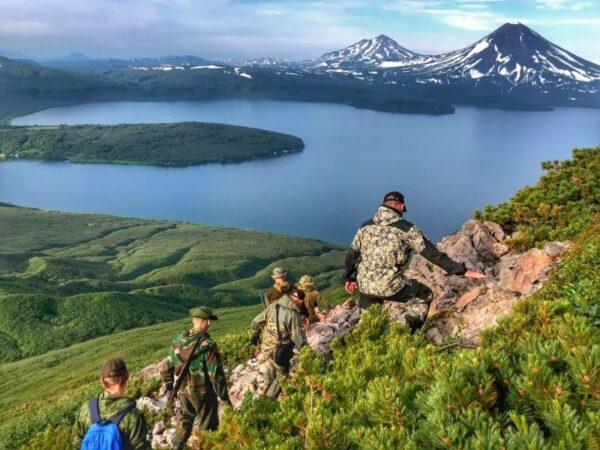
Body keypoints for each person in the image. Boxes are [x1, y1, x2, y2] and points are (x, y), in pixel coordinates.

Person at [344, 191, 485, 329]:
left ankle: (365, 346)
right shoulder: (406, 228)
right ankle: (405, 335)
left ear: (383, 205)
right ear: (401, 206)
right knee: (424, 295)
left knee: (369, 324)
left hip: (365, 284)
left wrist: (349, 277)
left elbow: (352, 255)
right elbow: (432, 254)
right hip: (389, 284)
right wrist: (462, 271)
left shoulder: (365, 226)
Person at [160, 307, 232, 450]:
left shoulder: (178, 339)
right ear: (198, 321)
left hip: (183, 391)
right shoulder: (208, 345)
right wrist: (224, 397)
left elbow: (166, 366)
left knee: (185, 421)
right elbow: (215, 375)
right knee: (209, 428)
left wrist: (169, 387)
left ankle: (176, 446)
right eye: (207, 321)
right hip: (203, 393)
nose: (209, 324)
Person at [73, 357, 150, 450]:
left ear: (102, 381)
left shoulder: (86, 409)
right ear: (127, 376)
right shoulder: (133, 416)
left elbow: (77, 445)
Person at [250, 288, 307, 399]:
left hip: (266, 347)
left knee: (271, 372)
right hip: (279, 351)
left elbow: (256, 321)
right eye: (301, 300)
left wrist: (254, 335)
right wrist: (308, 353)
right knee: (283, 375)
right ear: (298, 300)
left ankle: (261, 394)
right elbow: (300, 340)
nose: (302, 303)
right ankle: (268, 401)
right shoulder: (293, 315)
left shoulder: (272, 306)